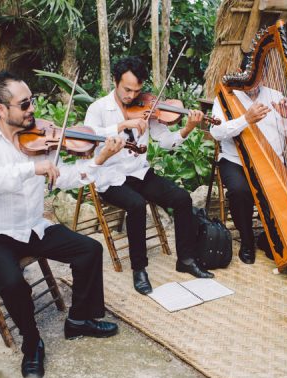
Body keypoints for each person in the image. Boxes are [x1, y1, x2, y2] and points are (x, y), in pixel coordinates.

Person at [0, 71, 126, 378]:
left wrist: (100, 158)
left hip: (32, 226)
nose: (32, 110)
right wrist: (30, 168)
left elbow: (64, 177)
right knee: (12, 281)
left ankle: (78, 320)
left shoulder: (42, 139)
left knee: (89, 250)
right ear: (1, 108)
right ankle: (32, 342)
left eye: (32, 102)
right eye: (24, 104)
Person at [84, 56, 214, 296]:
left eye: (137, 90)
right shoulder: (99, 108)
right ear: (115, 81)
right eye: (127, 89)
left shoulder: (147, 106)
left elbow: (164, 141)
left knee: (182, 198)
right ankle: (139, 269)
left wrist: (186, 129)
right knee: (136, 205)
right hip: (110, 177)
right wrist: (122, 125)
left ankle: (185, 259)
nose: (132, 96)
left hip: (139, 172)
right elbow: (87, 138)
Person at [209, 82, 287, 264]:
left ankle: (269, 237)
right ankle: (247, 239)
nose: (253, 84)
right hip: (235, 160)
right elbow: (216, 132)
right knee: (240, 191)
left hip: (271, 162)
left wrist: (286, 117)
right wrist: (245, 119)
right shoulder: (225, 97)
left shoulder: (275, 94)